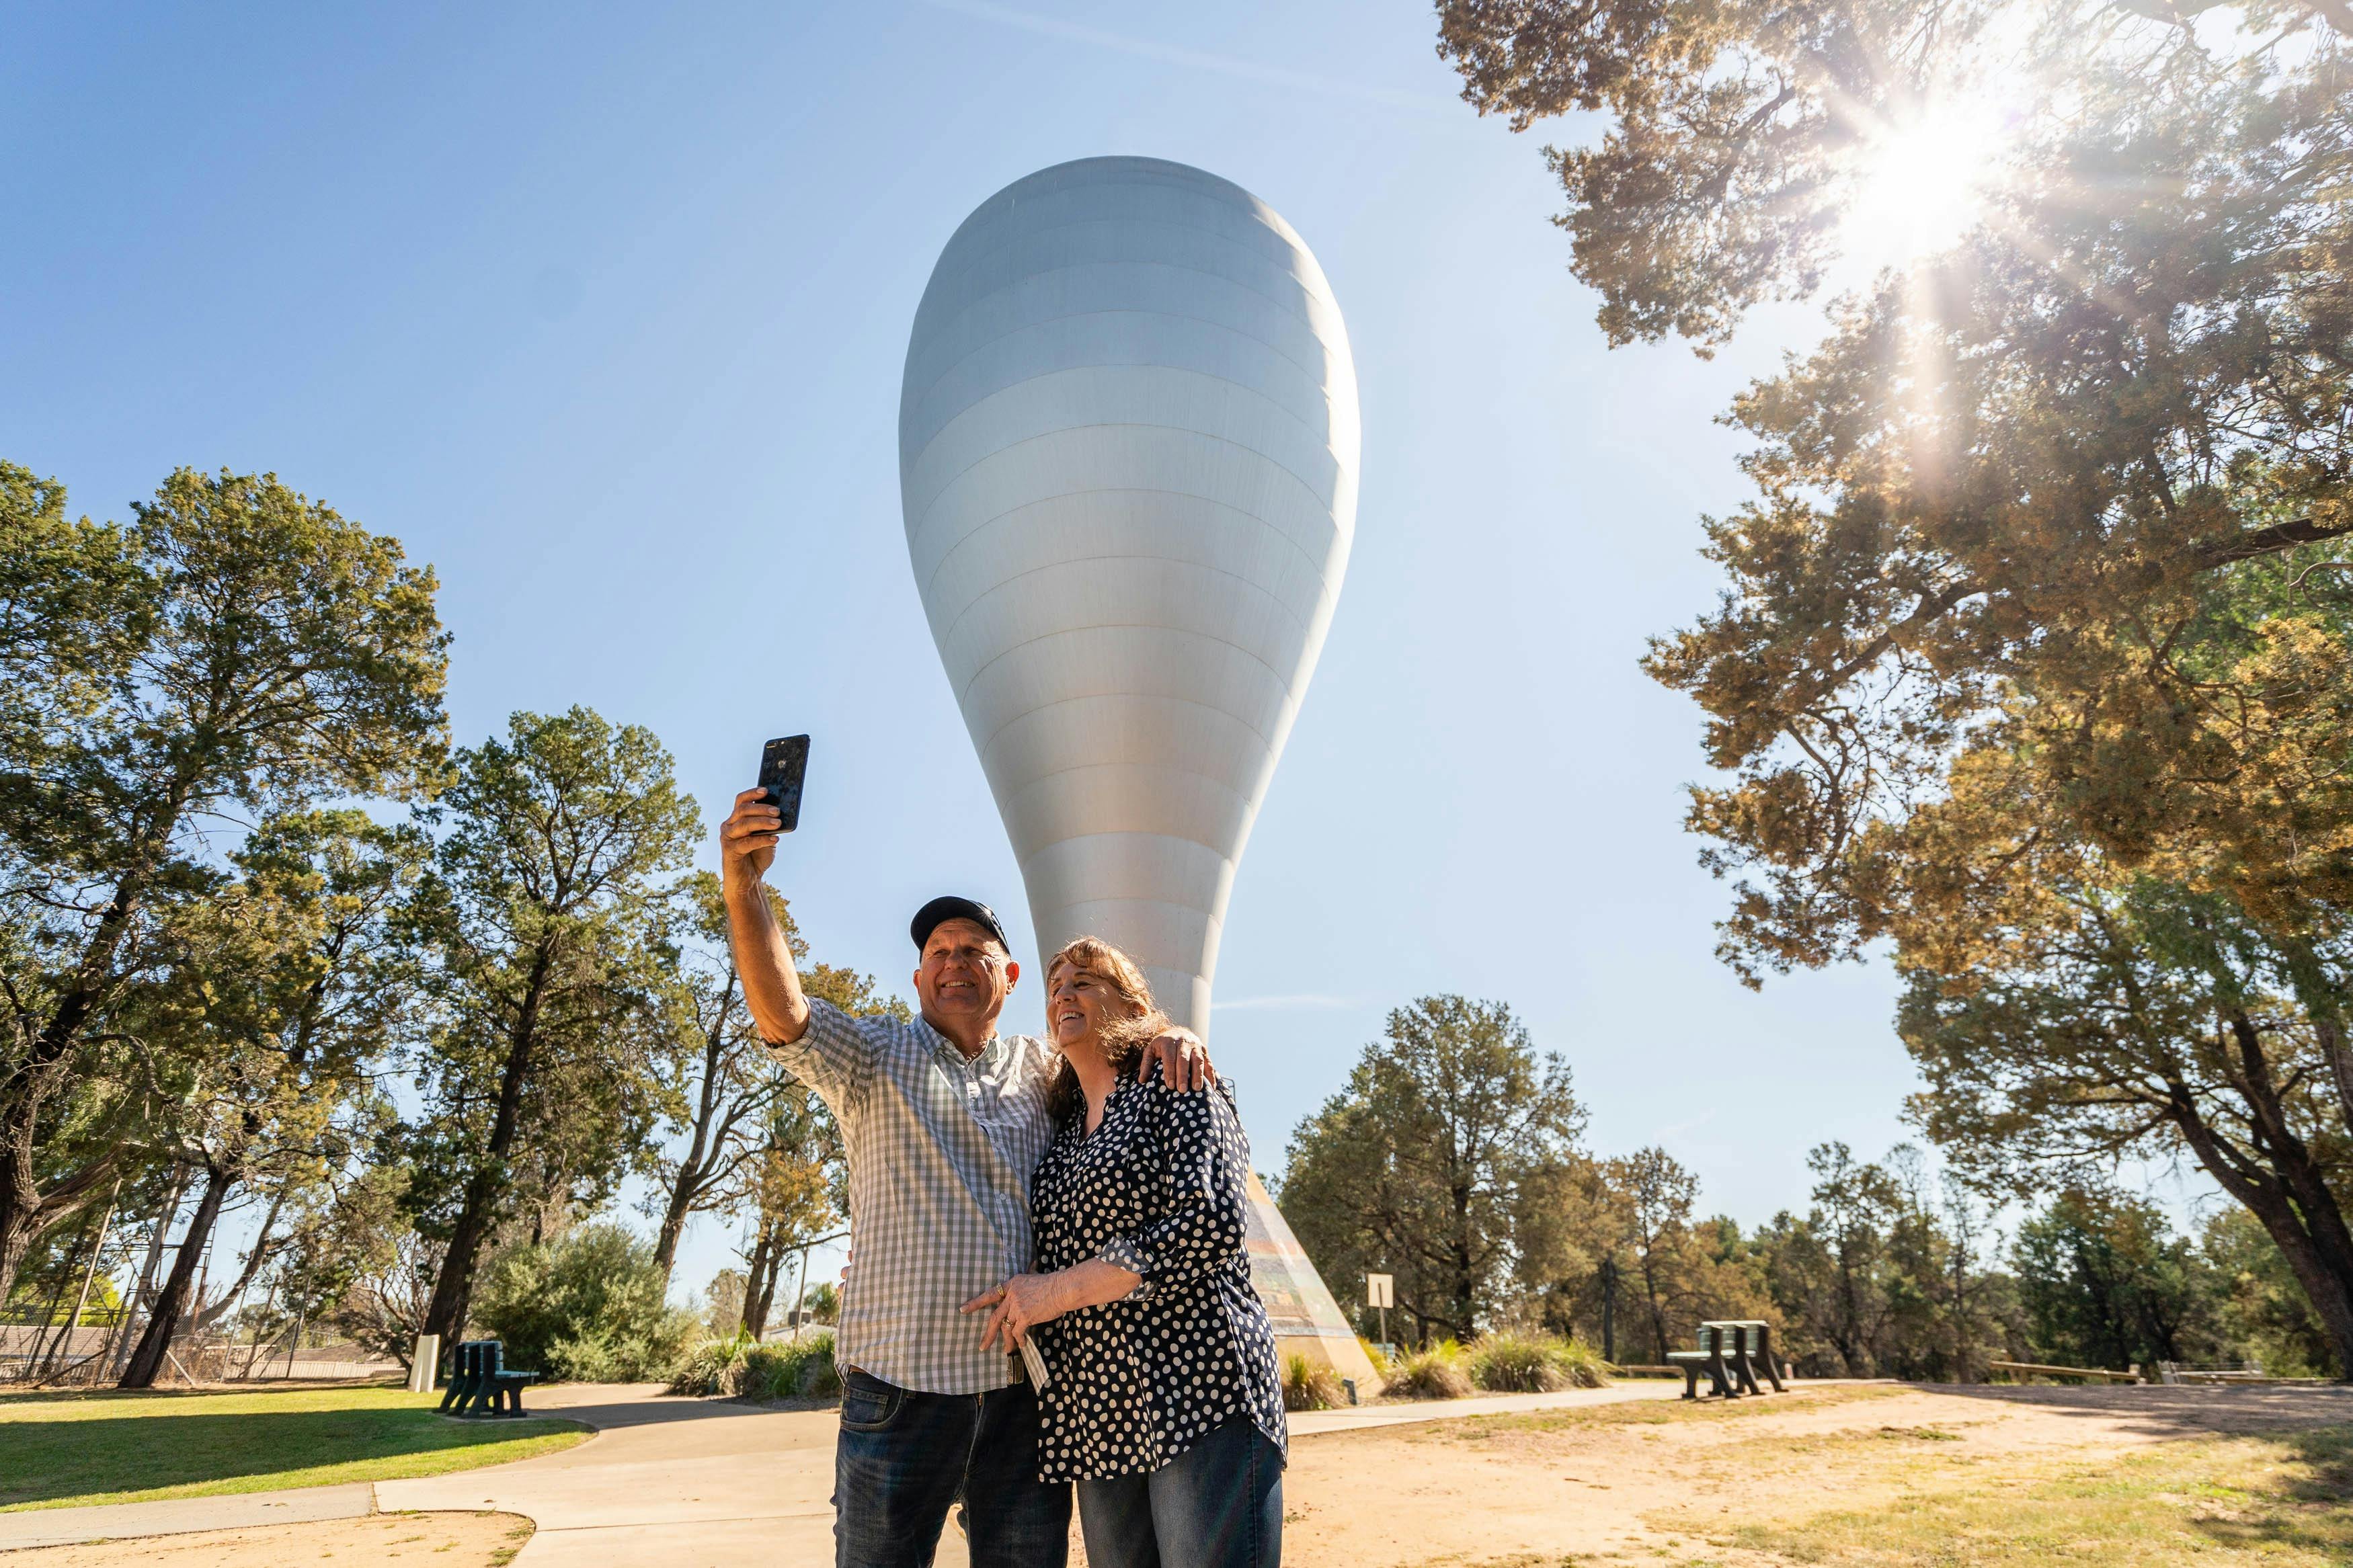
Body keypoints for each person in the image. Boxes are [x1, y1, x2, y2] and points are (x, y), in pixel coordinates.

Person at [717, 788, 1215, 1568]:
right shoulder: (871, 1054)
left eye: (973, 951)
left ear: (1009, 975)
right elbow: (783, 1014)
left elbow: (1118, 1054)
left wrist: (1172, 1028)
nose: (953, 963)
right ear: (917, 978)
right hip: (900, 1390)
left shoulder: (1046, 1068)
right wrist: (743, 884)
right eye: (938, 952)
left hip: (1024, 1398)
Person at [962, 936, 1287, 1568]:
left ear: (1132, 1003)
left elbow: (1211, 1222)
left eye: (1085, 980)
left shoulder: (1174, 1082)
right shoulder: (1058, 1134)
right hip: (1101, 1416)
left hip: (1200, 1391)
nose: (1064, 993)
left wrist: (1055, 1292)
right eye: (1055, 986)